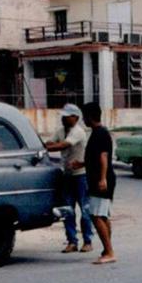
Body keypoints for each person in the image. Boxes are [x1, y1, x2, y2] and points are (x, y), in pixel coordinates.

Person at [42, 103, 91, 252]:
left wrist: (45, 147)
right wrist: (48, 144)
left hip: (81, 175)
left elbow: (62, 145)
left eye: (67, 116)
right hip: (68, 175)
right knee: (67, 209)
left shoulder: (78, 131)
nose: (63, 119)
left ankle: (87, 240)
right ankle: (72, 241)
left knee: (85, 210)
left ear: (75, 117)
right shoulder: (61, 130)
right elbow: (51, 141)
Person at [82, 102, 117, 264]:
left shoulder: (100, 134)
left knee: (96, 216)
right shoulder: (97, 133)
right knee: (102, 215)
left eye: (84, 116)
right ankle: (107, 249)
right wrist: (81, 164)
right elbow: (95, 158)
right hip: (100, 178)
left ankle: (109, 252)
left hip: (101, 180)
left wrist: (102, 178)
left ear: (90, 116)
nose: (83, 119)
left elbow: (104, 157)